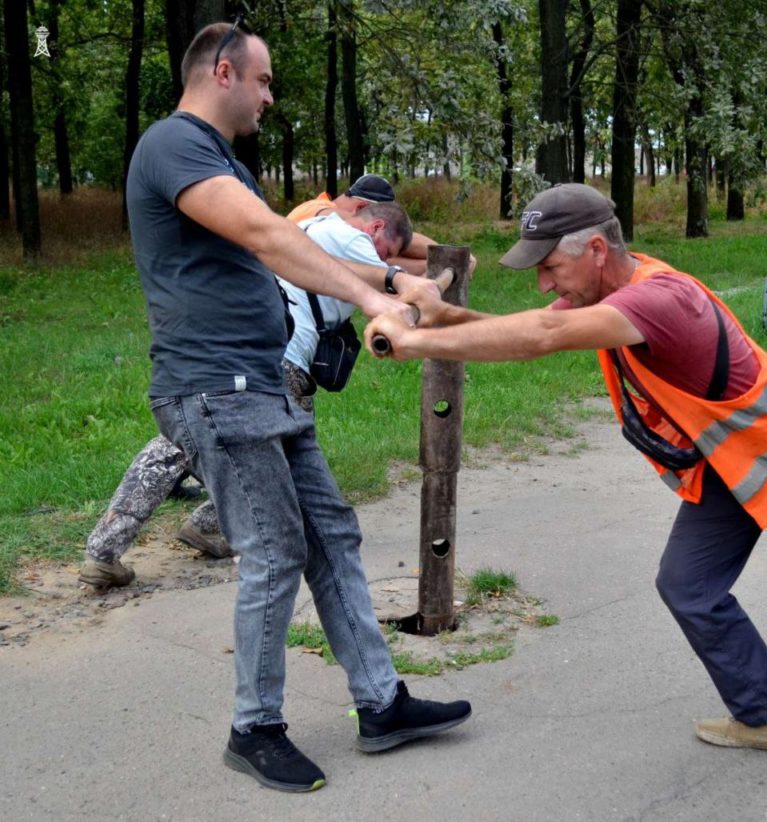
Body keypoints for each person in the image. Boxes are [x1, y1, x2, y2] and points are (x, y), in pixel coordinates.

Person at [366, 183, 767, 756]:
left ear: (597, 251)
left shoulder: (659, 300)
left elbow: (546, 333)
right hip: (725, 469)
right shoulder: (609, 298)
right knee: (689, 587)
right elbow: (536, 327)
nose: (546, 283)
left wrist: (413, 341)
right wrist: (438, 315)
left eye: (550, 267)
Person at [118, 21, 470, 793]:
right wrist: (379, 292)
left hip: (262, 386)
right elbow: (269, 239)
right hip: (214, 389)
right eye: (264, 80)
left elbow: (298, 239)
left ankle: (380, 705)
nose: (270, 97)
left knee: (331, 537)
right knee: (275, 551)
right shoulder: (172, 147)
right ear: (222, 72)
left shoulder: (220, 160)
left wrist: (400, 272)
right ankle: (255, 728)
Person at [79, 201, 416, 579]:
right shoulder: (353, 239)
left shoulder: (312, 226)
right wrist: (422, 292)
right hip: (280, 358)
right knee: (233, 450)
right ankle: (127, 545)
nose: (383, 257)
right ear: (375, 229)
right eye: (388, 249)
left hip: (246, 343)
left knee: (210, 447)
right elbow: (392, 292)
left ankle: (175, 533)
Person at [287, 174, 477, 277]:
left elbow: (383, 260)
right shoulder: (317, 211)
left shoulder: (349, 239)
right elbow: (384, 263)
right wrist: (451, 256)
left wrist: (446, 261)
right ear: (363, 208)